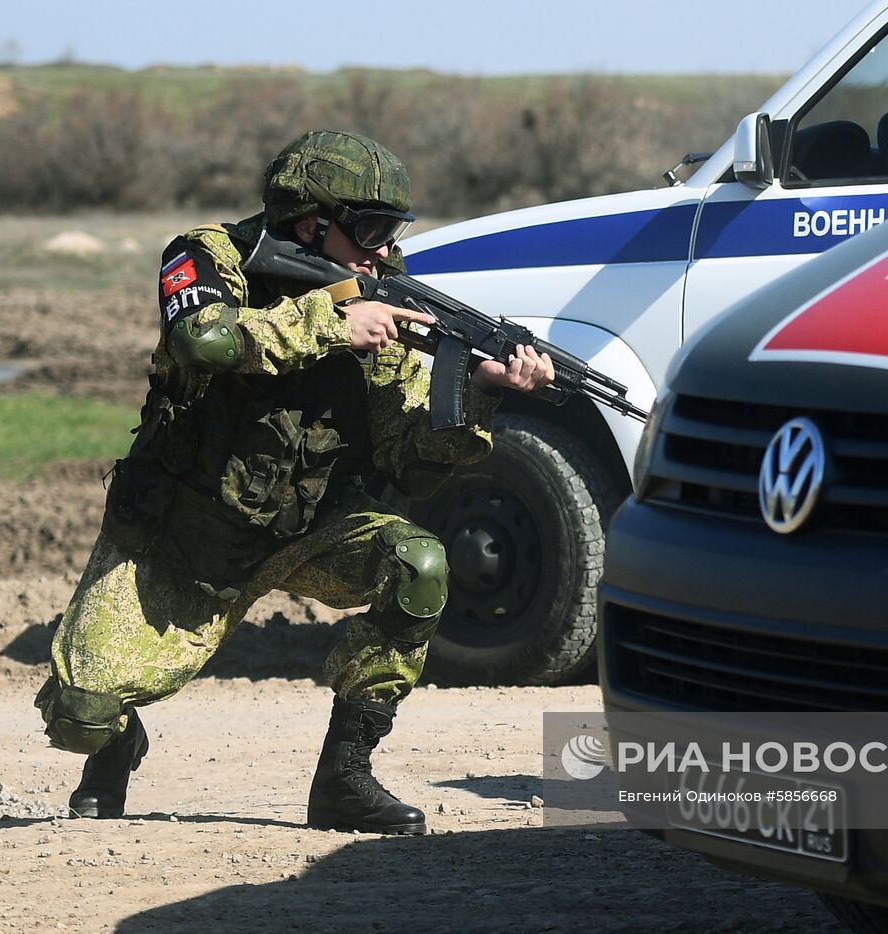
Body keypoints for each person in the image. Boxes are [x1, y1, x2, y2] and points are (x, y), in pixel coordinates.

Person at [33, 129, 554, 835]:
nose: (381, 248)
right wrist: (332, 324)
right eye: (369, 229)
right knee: (77, 715)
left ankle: (344, 779)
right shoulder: (211, 256)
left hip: (308, 530)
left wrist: (482, 393)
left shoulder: (382, 298)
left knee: (419, 564)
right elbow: (203, 341)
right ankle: (115, 745)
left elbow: (409, 464)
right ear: (311, 223)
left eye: (392, 232)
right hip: (182, 533)